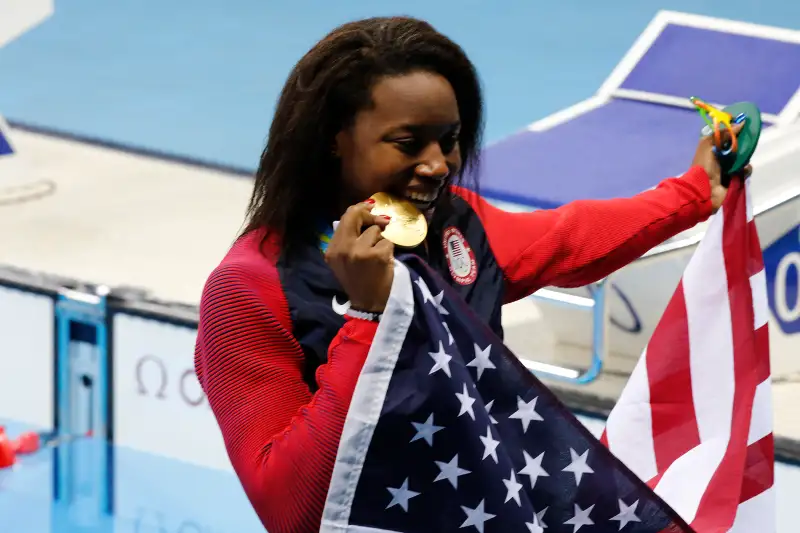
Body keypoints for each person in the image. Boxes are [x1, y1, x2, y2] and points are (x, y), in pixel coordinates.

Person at [194, 16, 750, 533]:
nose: (439, 164)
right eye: (408, 143)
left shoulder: (455, 224)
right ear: (331, 139)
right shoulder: (248, 290)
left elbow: (571, 236)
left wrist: (696, 191)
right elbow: (291, 508)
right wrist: (368, 316)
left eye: (450, 140)